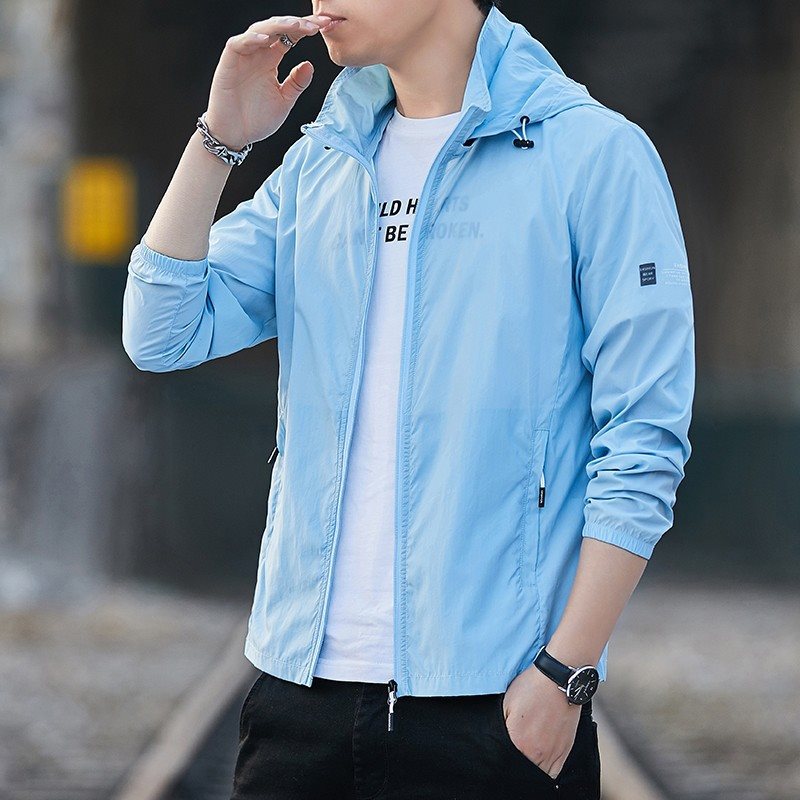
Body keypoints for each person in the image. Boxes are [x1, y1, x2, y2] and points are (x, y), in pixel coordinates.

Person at [121, 1, 695, 797]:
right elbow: (160, 332)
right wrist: (220, 139)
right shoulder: (323, 163)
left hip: (493, 709)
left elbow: (643, 435)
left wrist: (565, 675)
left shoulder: (593, 156)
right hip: (298, 703)